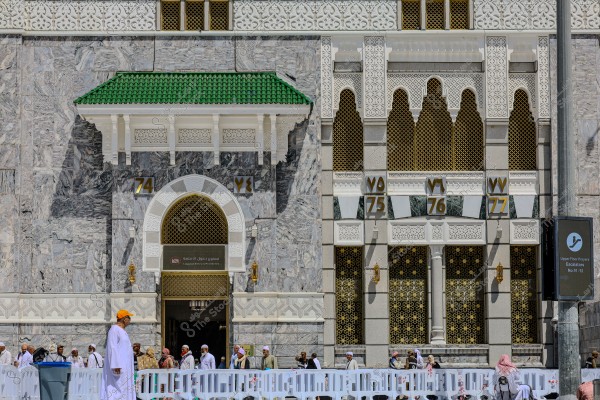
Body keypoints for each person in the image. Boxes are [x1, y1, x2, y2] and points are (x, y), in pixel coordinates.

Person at [101, 309, 135, 400]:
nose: (130, 320)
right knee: (118, 388)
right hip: (118, 367)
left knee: (124, 387)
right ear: (124, 319)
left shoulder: (122, 330)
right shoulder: (114, 330)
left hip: (125, 366)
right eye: (129, 317)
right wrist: (115, 365)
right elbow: (112, 347)